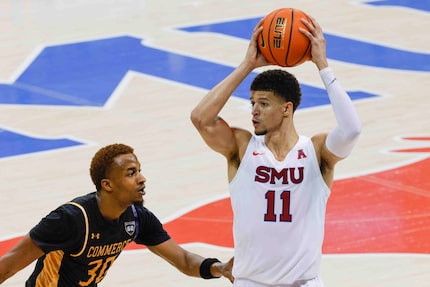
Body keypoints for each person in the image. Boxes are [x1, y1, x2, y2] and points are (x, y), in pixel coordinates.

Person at [190, 15, 361, 287]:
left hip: (304, 282)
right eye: (252, 103)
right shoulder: (242, 147)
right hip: (250, 281)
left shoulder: (316, 152)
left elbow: (351, 130)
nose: (254, 111)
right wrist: (247, 65)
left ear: (287, 109)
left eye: (264, 104)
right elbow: (201, 119)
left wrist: (323, 66)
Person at [0, 143, 234, 286]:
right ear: (108, 184)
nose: (142, 178)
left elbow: (182, 260)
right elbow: (9, 265)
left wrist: (220, 268)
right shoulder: (70, 219)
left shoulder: (137, 217)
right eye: (131, 173)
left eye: (140, 171)